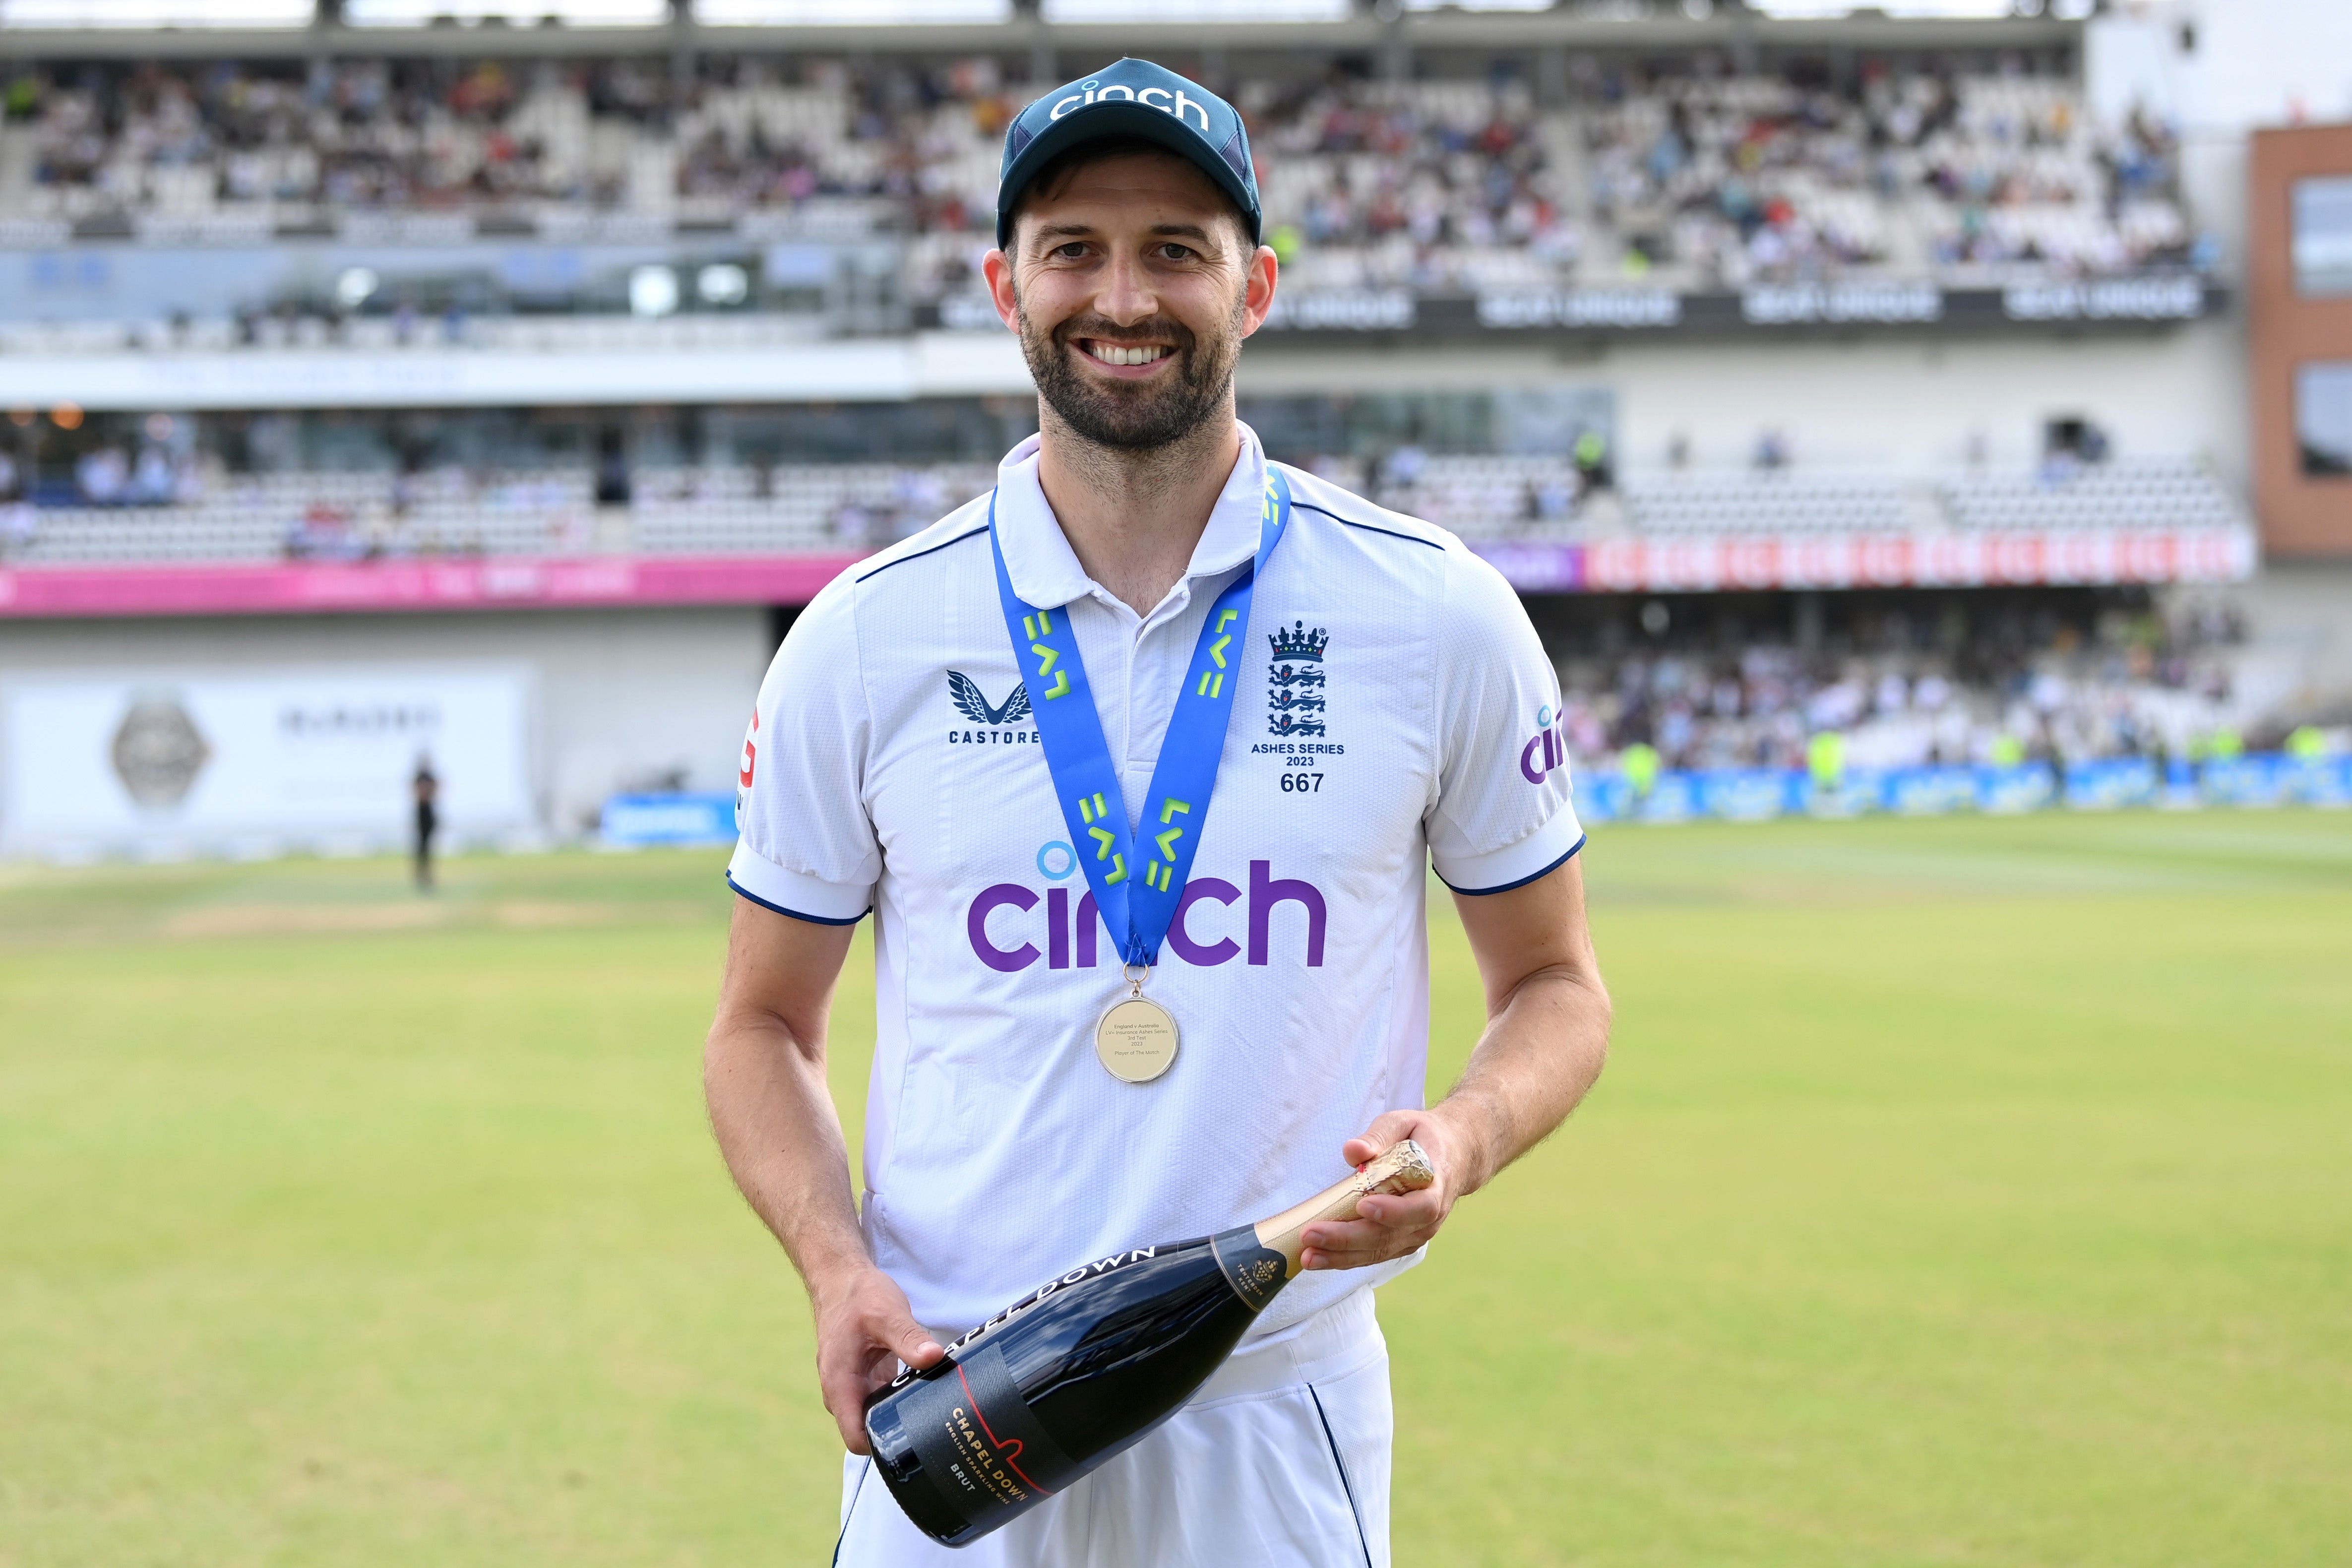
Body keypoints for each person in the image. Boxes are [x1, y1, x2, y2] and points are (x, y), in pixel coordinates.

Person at [705, 58, 1611, 1568]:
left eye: (1173, 252)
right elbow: (758, 1028)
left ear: (1254, 286)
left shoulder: (1430, 612)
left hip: (1273, 1409)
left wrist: (1459, 1137)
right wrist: (829, 1267)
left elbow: (1556, 986)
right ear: (1006, 284)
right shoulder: (863, 635)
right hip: (954, 1410)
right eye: (1072, 249)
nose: (1118, 296)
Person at [411, 756, 438, 891]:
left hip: (428, 811)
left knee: (428, 847)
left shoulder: (429, 776)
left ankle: (427, 875)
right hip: (421, 811)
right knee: (421, 847)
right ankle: (420, 875)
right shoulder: (419, 776)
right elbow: (417, 792)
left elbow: (436, 788)